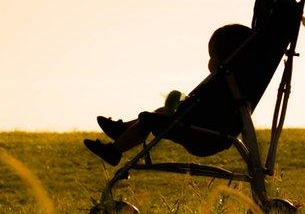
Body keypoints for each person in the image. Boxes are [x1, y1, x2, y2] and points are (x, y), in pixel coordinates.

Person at [83, 23, 253, 166]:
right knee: (159, 113)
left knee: (149, 119)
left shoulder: (225, 82)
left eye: (212, 57)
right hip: (208, 130)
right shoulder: (237, 83)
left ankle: (114, 151)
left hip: (205, 135)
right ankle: (123, 130)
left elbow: (206, 109)